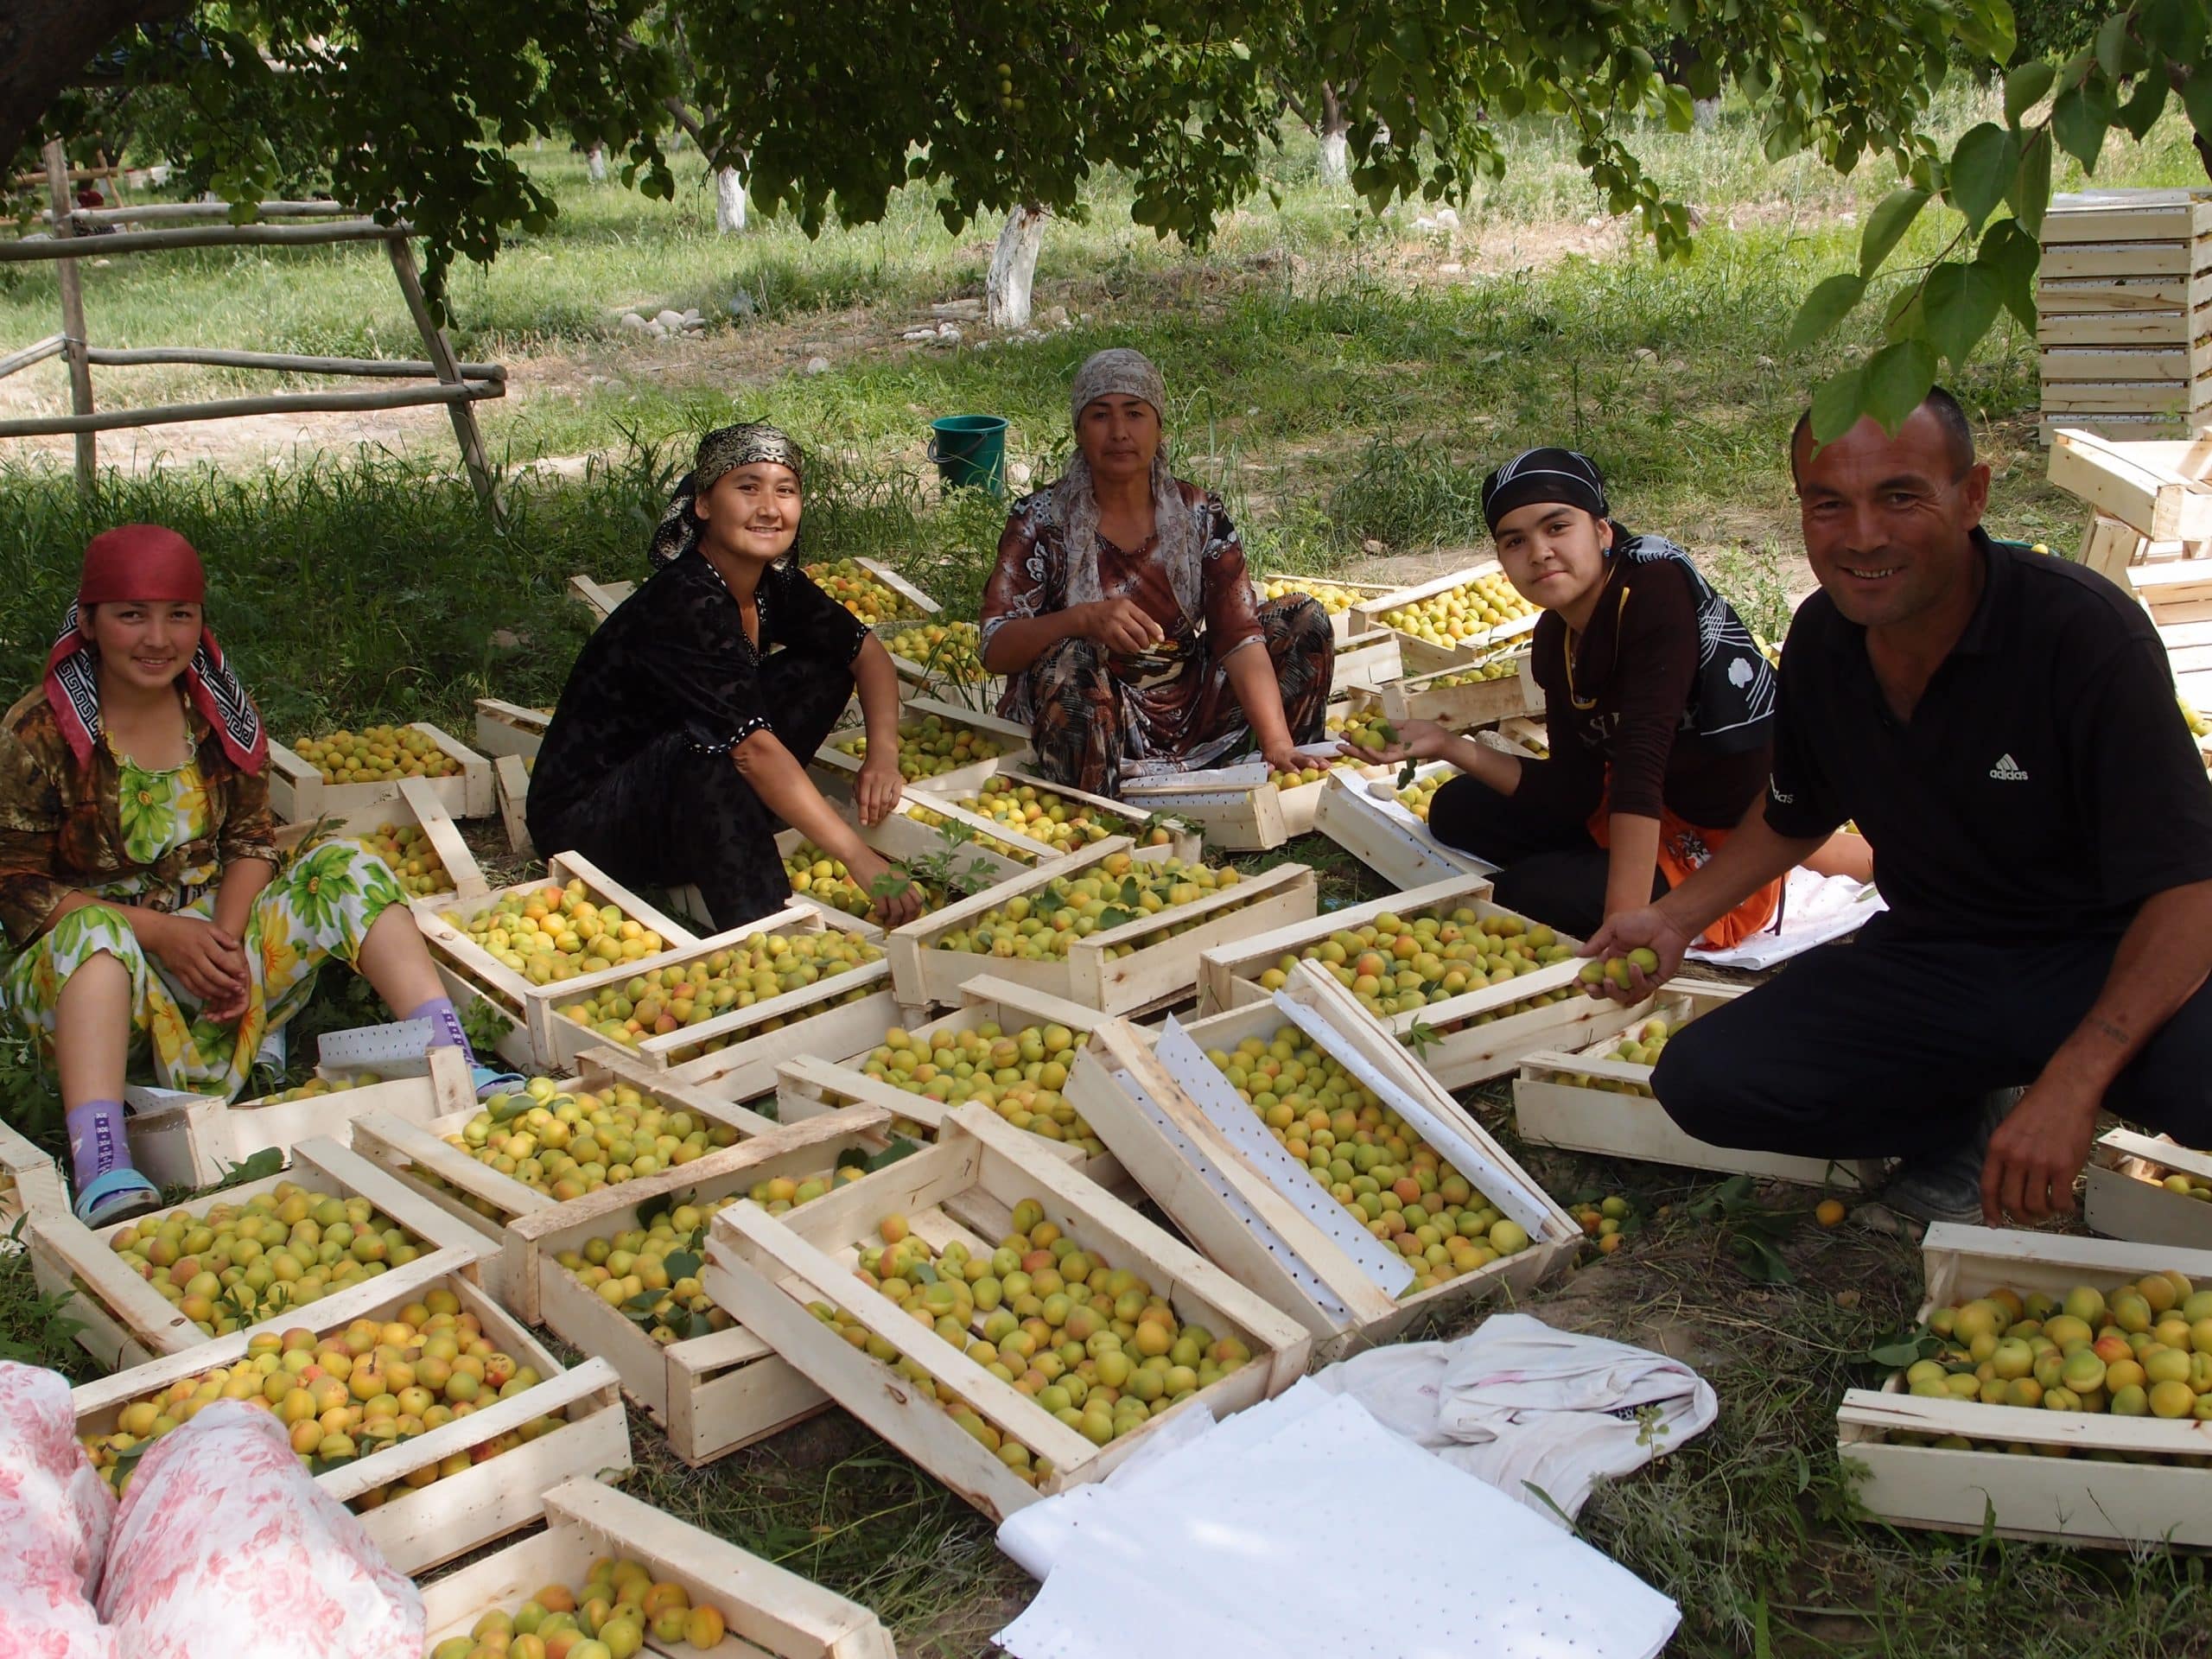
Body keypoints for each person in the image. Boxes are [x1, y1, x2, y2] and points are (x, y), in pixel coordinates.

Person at [1586, 390, 2212, 1228]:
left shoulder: (2081, 633)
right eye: (1827, 505)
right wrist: (1673, 919)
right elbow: (1796, 811)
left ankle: (2051, 1076)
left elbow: (2191, 889)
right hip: (1937, 960)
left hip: (2104, 956)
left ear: (1973, 496)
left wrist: (2074, 1078)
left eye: (1900, 497)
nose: (1862, 537)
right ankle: (1952, 1126)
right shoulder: (1824, 639)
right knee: (1707, 1080)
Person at [0, 526, 492, 1227]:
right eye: (131, 615)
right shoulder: (39, 734)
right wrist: (163, 936)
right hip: (94, 978)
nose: (157, 638)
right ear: (88, 622)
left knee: (346, 866)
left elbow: (251, 841)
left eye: (179, 615)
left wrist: (225, 944)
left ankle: (454, 1056)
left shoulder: (216, 712)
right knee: (94, 936)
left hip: (210, 940)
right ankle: (101, 1159)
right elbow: (18, 886)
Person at [1343, 447, 1866, 944]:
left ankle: (1780, 864)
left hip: (1718, 833)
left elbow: (1640, 766)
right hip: (1640, 808)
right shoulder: (1556, 635)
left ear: (1602, 531)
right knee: (1456, 810)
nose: (1539, 553)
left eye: (1557, 527)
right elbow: (1574, 791)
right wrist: (1446, 744)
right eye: (1515, 541)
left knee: (1525, 893)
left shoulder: (1655, 594)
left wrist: (1626, 925)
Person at [529, 423, 923, 932]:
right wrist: (857, 856)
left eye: (785, 491)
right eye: (747, 488)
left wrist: (882, 757)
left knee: (823, 668)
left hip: (678, 783)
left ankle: (745, 818)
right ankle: (771, 931)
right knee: (716, 745)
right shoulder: (685, 601)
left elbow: (866, 652)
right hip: (590, 823)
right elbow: (750, 750)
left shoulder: (769, 583)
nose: (769, 508)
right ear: (703, 504)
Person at [979, 348, 1335, 797]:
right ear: (1079, 431)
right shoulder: (1040, 521)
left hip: (1189, 707)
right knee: (1071, 660)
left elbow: (1238, 636)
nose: (1119, 432)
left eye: (1134, 413)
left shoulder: (1198, 513)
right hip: (1096, 710)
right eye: (1100, 416)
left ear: (1159, 427)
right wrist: (1083, 619)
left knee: (1302, 619)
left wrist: (1277, 741)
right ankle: (1096, 806)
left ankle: (1282, 773)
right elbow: (995, 647)